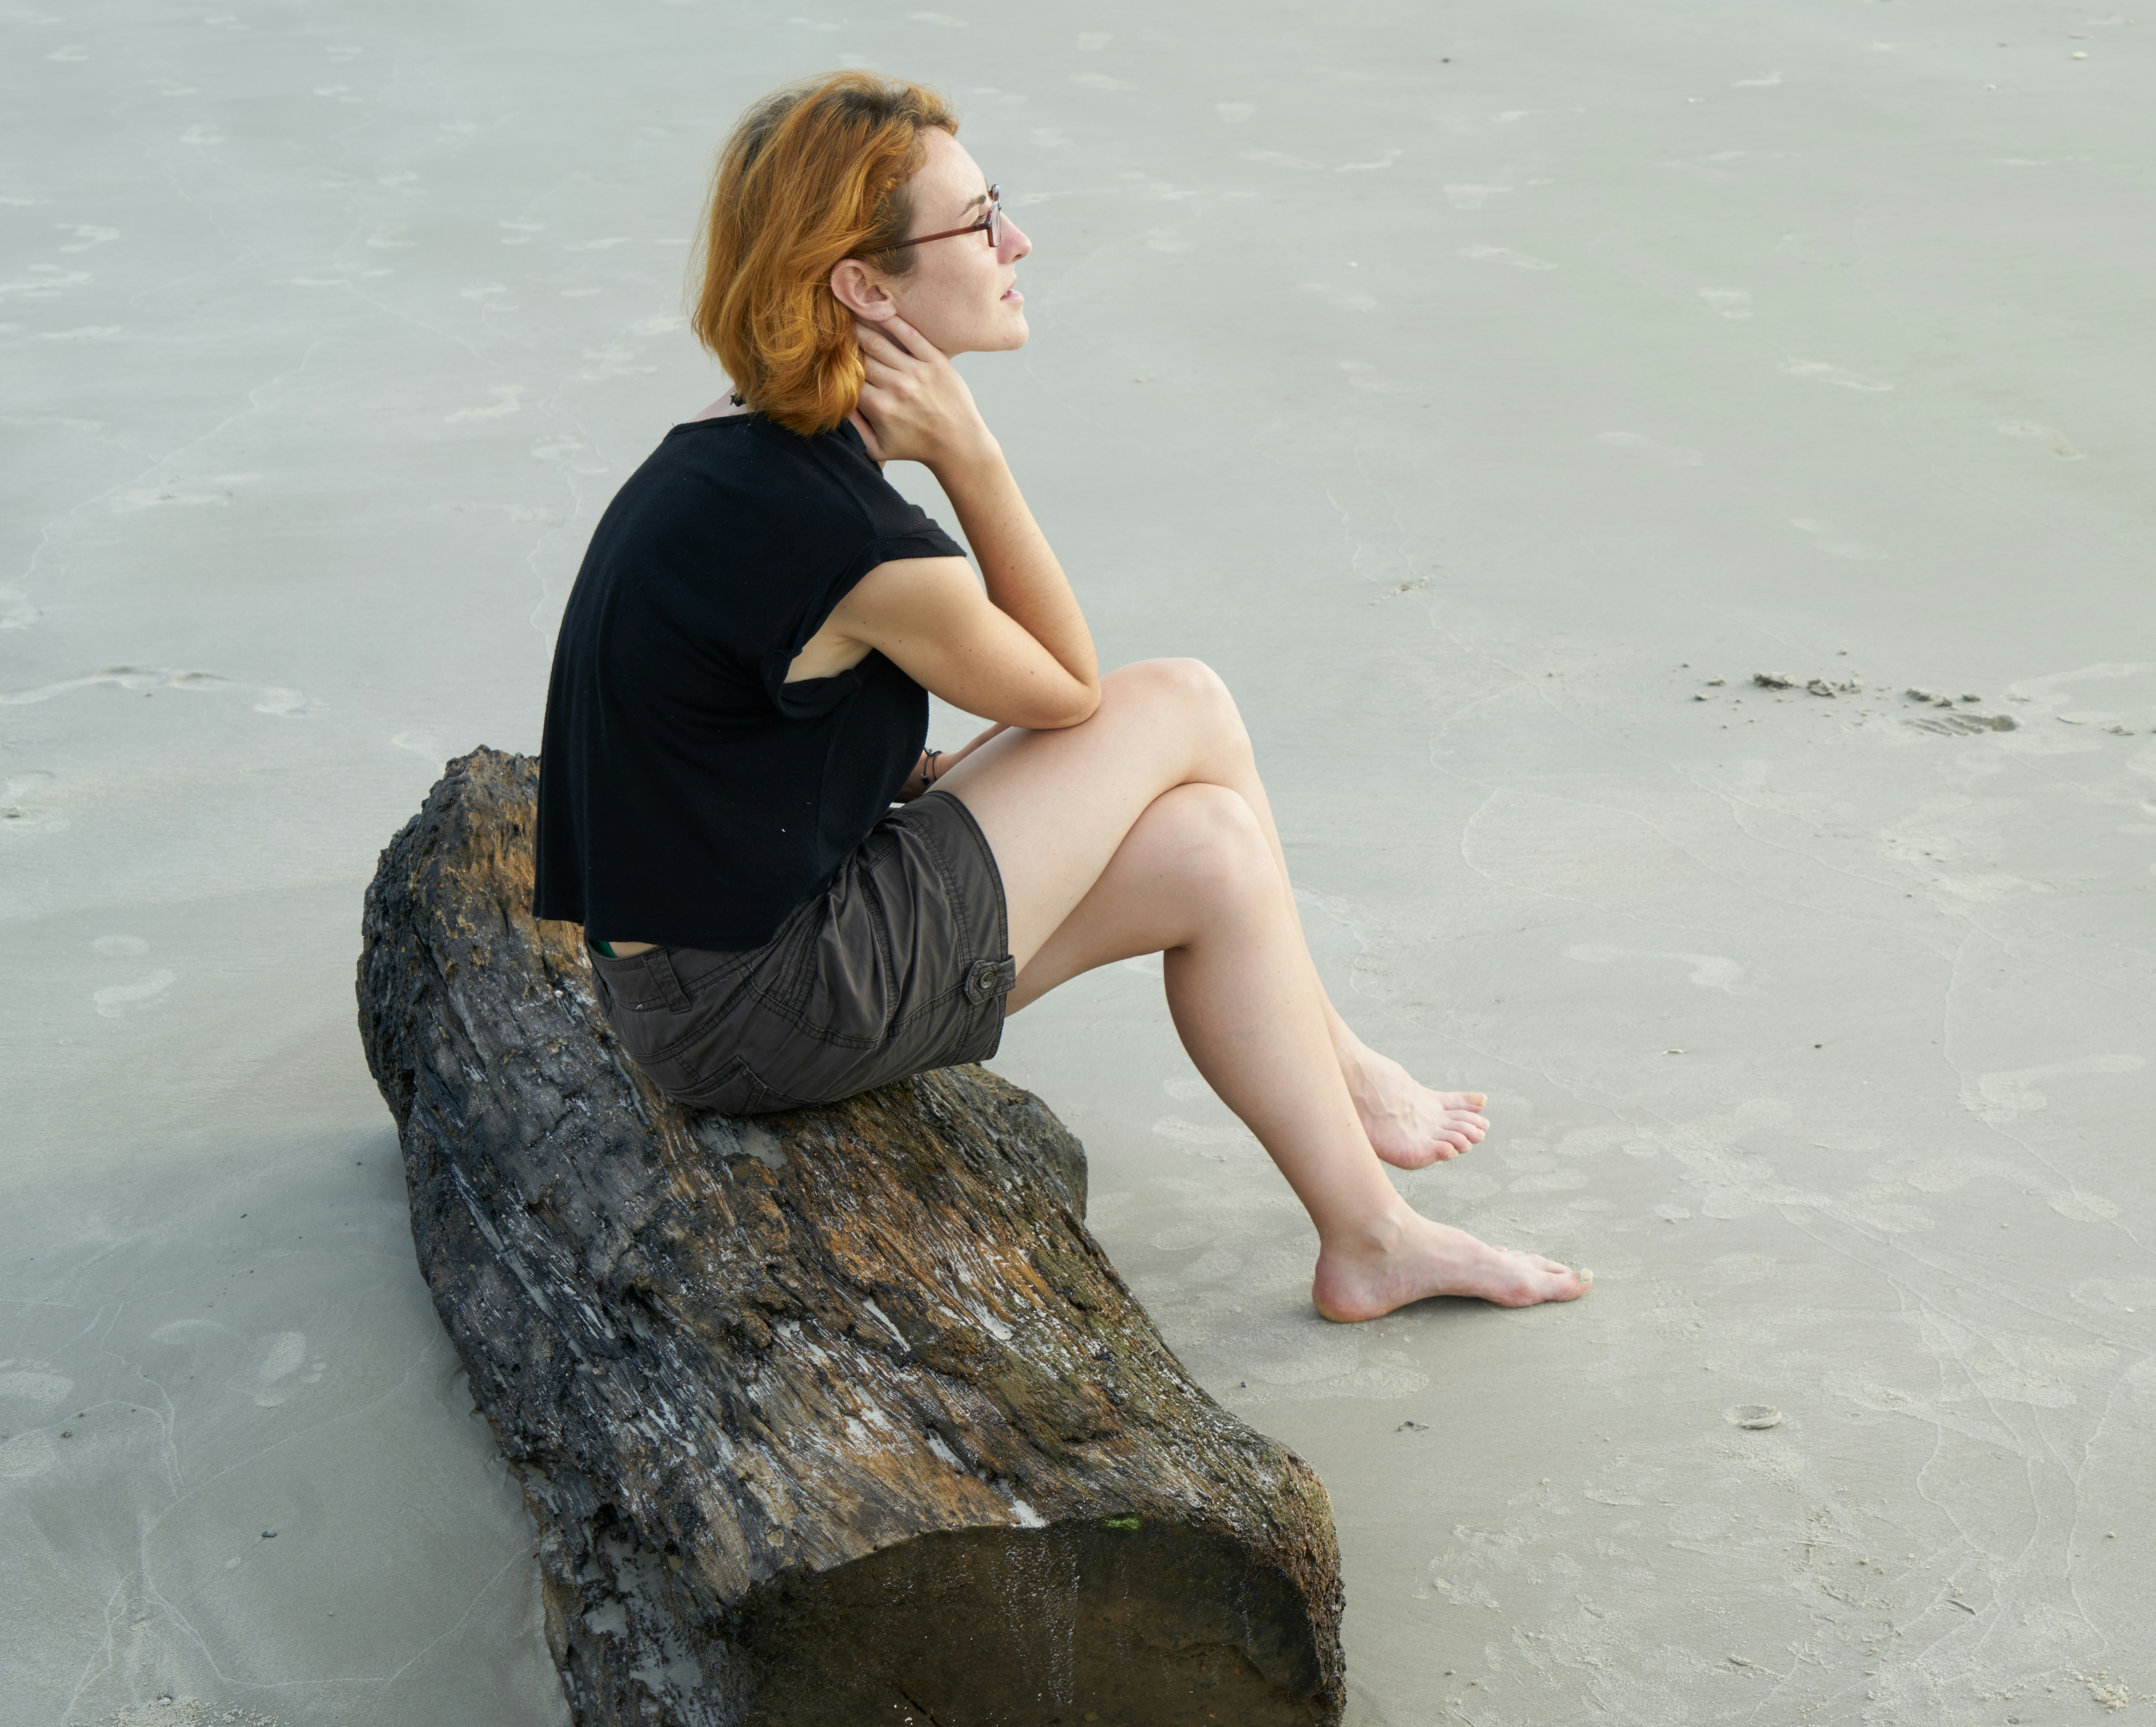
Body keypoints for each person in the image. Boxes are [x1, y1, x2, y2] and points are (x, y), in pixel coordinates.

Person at [533, 71, 1588, 1323]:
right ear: (866, 288)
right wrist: (975, 456)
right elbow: (1069, 690)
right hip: (755, 1009)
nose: (1016, 241)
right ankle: (1349, 1071)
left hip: (698, 984)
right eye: (980, 222)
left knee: (1211, 848)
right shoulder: (853, 545)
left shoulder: (731, 447)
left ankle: (1368, 1236)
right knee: (1181, 699)